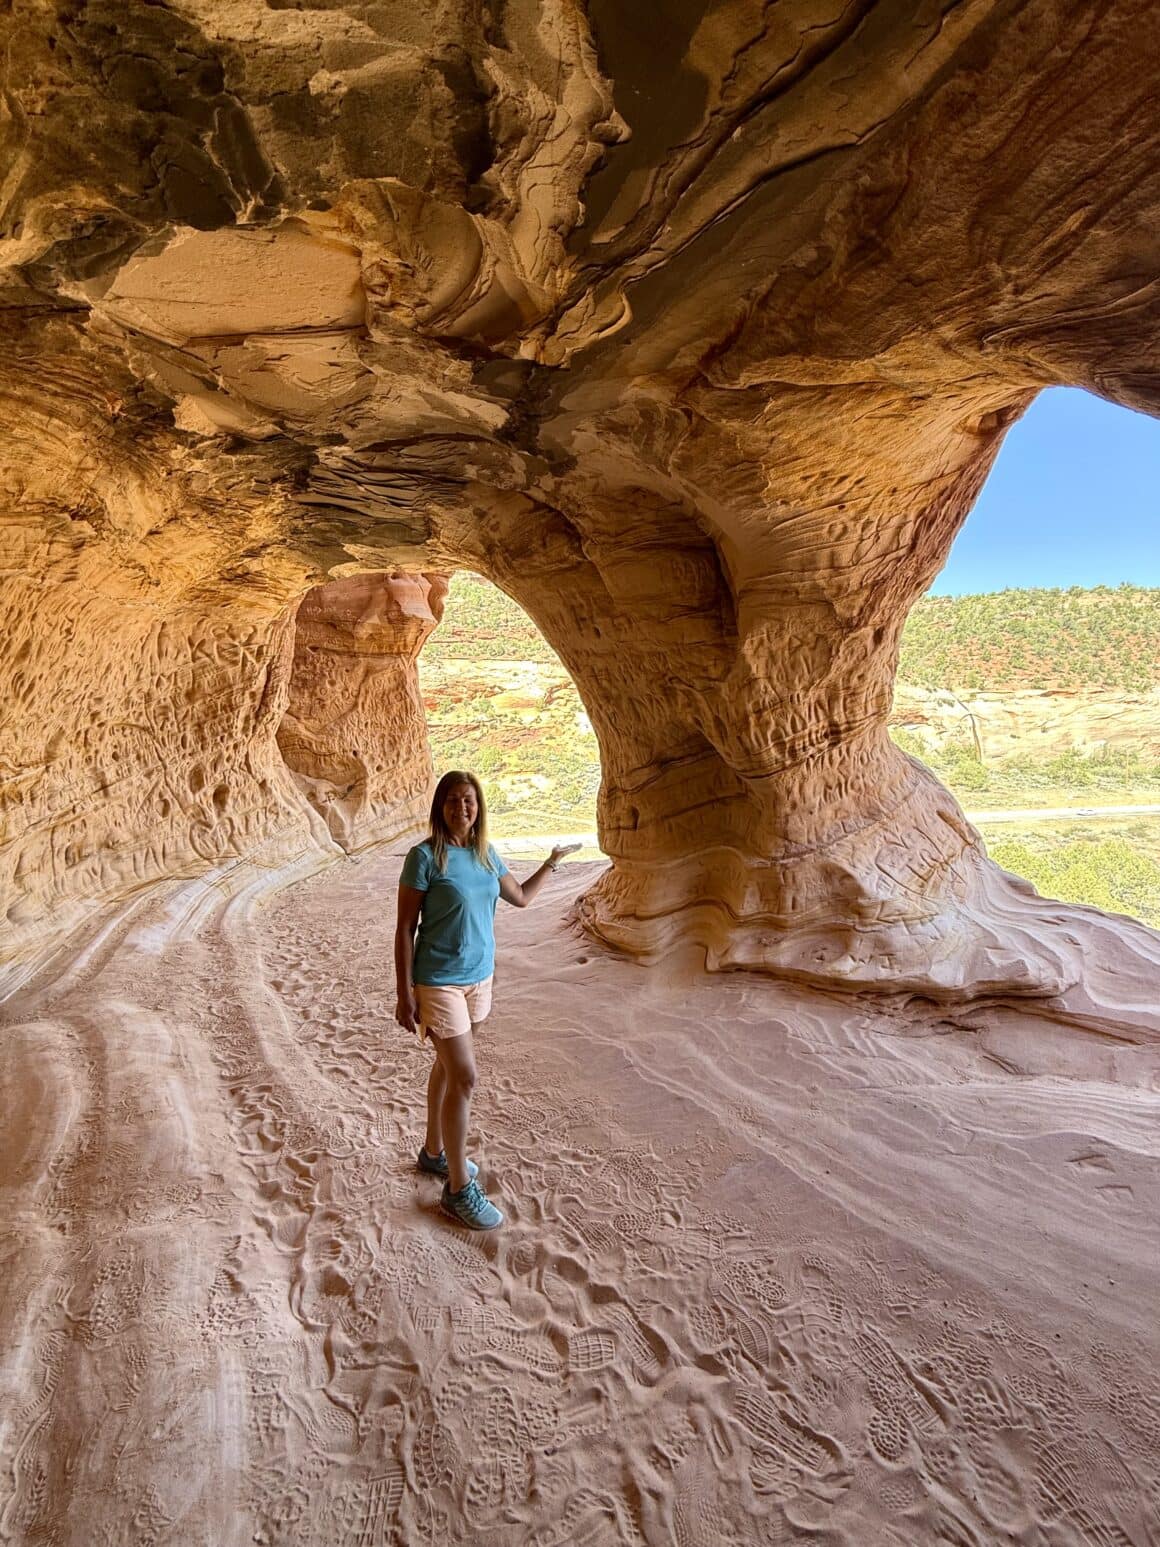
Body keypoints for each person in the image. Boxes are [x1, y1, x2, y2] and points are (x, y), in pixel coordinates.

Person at [394, 770, 580, 1230]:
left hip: (480, 979)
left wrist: (552, 862)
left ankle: (434, 1152)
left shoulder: (485, 855)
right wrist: (404, 992)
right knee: (466, 1077)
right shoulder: (424, 858)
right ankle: (457, 1189)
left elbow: (519, 898)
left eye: (470, 801)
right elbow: (404, 928)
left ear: (479, 808)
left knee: (447, 1067)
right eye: (454, 800)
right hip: (438, 981)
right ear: (441, 807)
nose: (463, 808)